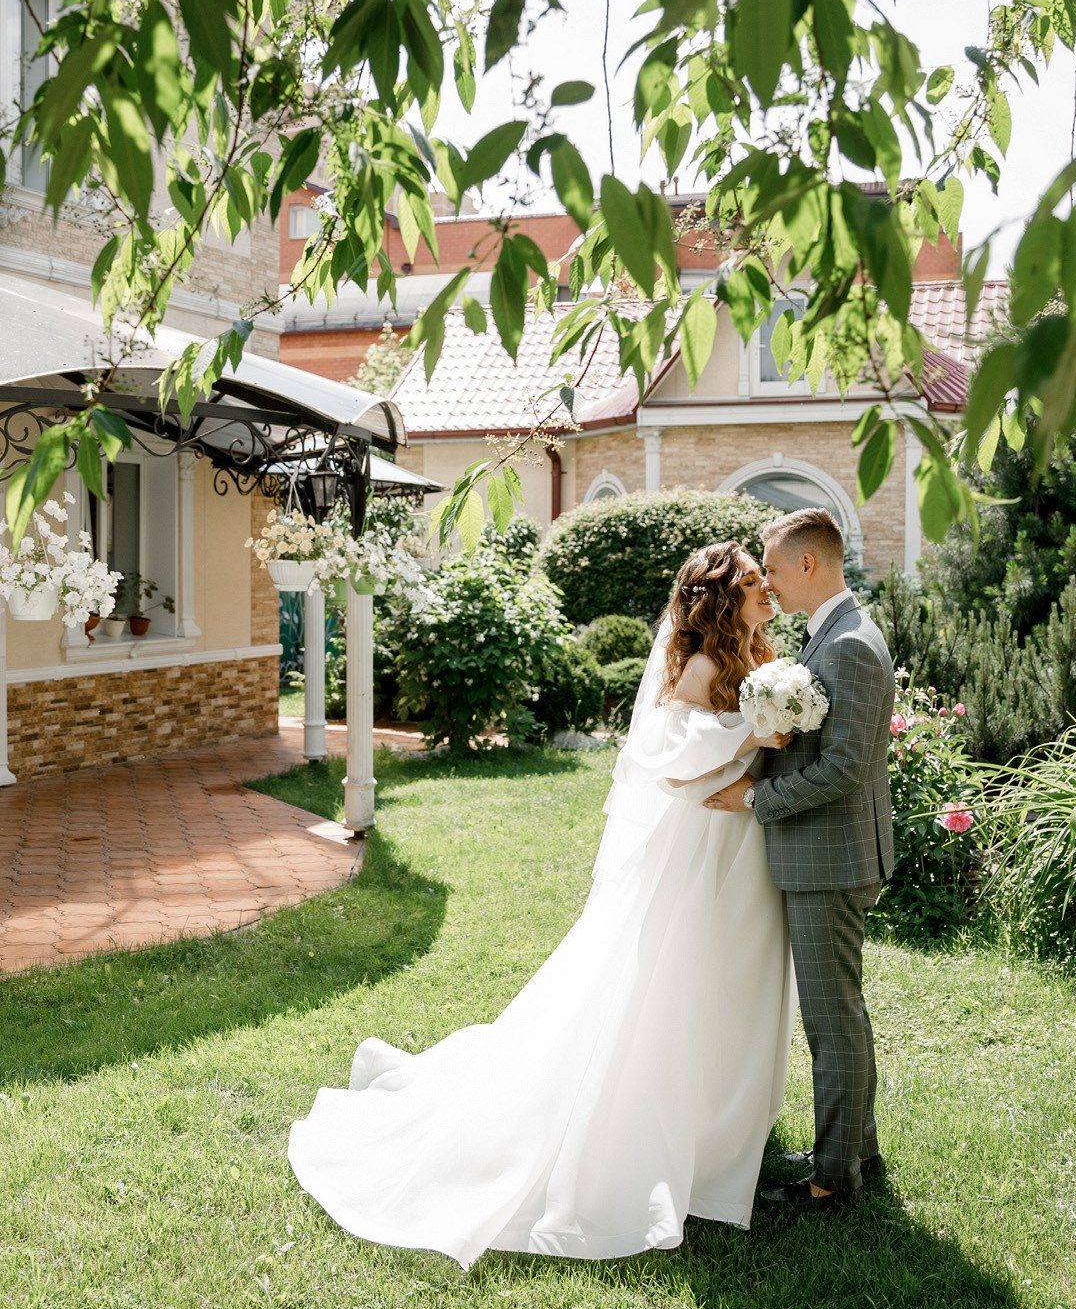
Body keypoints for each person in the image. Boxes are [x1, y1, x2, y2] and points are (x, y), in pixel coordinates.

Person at [287, 542, 795, 1267]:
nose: (765, 590)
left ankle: (717, 1131)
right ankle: (665, 1131)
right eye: (752, 583)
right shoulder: (708, 667)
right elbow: (663, 757)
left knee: (722, 986)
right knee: (671, 988)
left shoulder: (758, 660)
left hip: (739, 849)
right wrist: (754, 730)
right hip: (701, 850)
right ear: (722, 597)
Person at [705, 507, 896, 1211]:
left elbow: (845, 766)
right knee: (841, 1013)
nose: (772, 584)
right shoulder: (837, 634)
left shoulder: (847, 645)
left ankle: (832, 1178)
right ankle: (854, 1148)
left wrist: (758, 800)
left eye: (776, 569)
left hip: (830, 861)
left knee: (831, 1020)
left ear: (809, 564)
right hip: (834, 857)